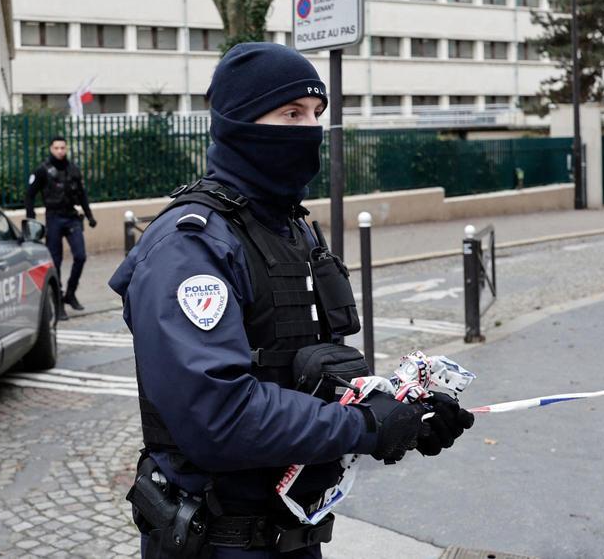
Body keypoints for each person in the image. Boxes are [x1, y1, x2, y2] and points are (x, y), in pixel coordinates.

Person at [110, 43, 474, 558]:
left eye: (316, 114)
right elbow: (220, 416)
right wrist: (366, 427)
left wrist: (404, 411)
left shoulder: (293, 229)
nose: (310, 129)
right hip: (217, 541)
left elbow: (305, 371)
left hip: (295, 533)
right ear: (239, 123)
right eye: (291, 113)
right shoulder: (191, 246)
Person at [25, 136, 96, 317]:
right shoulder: (42, 170)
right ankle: (57, 302)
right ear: (51, 149)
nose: (60, 151)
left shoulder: (73, 169)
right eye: (56, 148)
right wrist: (31, 217)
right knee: (55, 262)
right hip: (54, 218)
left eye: (62, 148)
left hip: (71, 217)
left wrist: (89, 216)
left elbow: (82, 195)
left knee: (80, 256)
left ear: (66, 148)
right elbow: (29, 195)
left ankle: (70, 293)